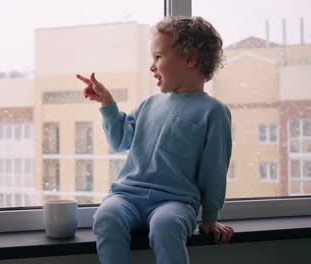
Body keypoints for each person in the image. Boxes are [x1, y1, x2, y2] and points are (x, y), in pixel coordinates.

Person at [76, 16, 235, 264]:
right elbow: (120, 141)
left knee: (166, 225)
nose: (152, 66)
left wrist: (210, 218)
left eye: (158, 57)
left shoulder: (213, 111)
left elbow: (214, 169)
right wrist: (107, 103)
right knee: (106, 216)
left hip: (175, 202)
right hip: (127, 196)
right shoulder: (150, 104)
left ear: (190, 59)